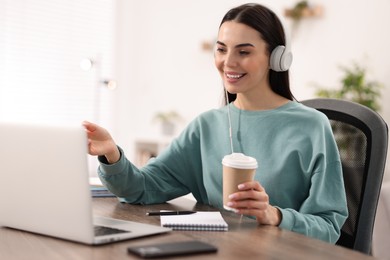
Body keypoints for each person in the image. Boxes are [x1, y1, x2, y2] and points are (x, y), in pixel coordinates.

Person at [83, 3, 348, 244]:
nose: (228, 62)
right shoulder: (207, 126)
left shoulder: (312, 127)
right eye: (221, 49)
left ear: (276, 57)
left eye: (243, 52)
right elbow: (140, 189)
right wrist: (111, 154)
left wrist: (274, 215)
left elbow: (329, 227)